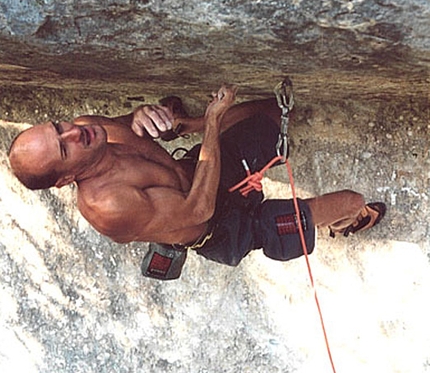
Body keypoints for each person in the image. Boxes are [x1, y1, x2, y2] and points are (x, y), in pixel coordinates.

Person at [7, 85, 386, 267]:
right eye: (64, 148)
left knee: (272, 114)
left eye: (59, 127)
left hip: (206, 171)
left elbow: (128, 126)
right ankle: (350, 221)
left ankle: (192, 124)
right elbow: (199, 209)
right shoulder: (108, 205)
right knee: (349, 201)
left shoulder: (88, 127)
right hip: (226, 226)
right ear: (64, 179)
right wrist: (212, 122)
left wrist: (147, 117)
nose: (74, 133)